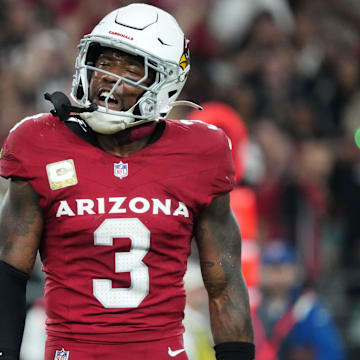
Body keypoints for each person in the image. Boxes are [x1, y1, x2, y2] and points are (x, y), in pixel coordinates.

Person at [0, 4, 254, 360]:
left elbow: (224, 283)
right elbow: (8, 272)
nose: (109, 76)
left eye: (131, 68)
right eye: (104, 62)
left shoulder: (201, 152)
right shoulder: (38, 142)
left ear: (164, 84)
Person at [253, 241, 345, 360]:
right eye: (270, 267)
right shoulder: (251, 309)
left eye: (282, 267)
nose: (276, 274)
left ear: (295, 270)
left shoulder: (307, 308)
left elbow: (330, 352)